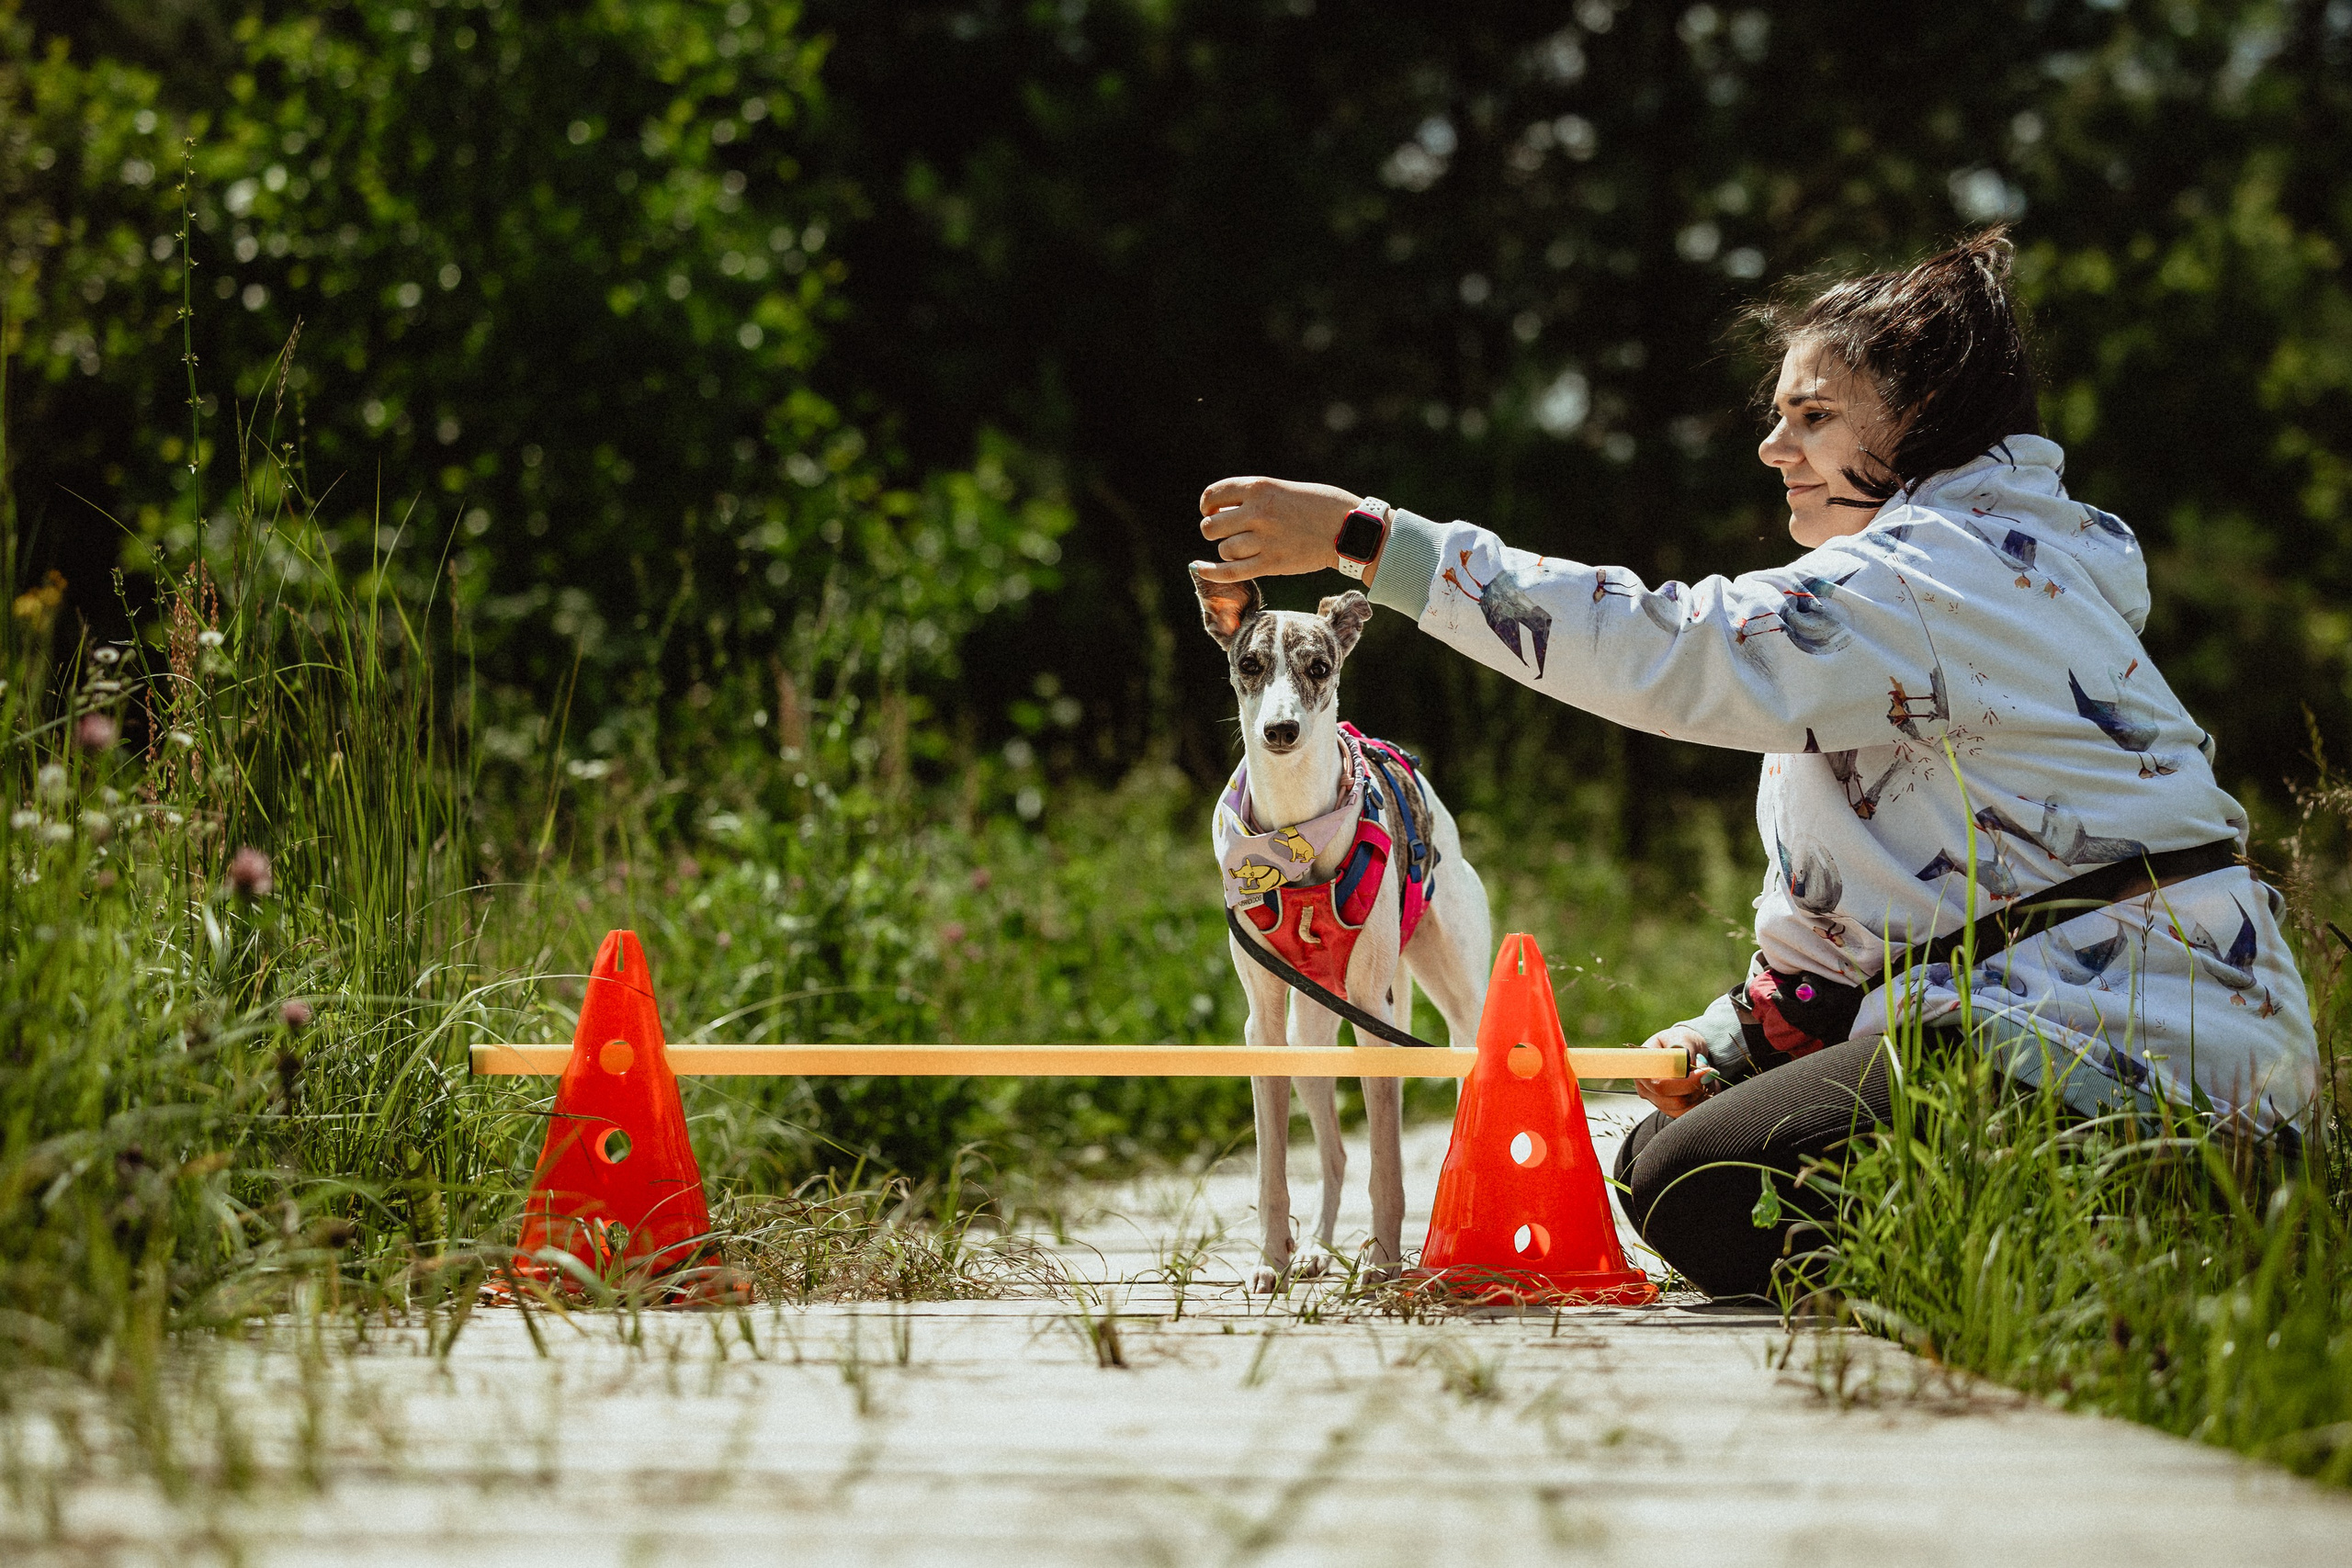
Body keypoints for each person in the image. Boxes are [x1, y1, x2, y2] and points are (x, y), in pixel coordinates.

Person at [1187, 229, 2321, 1301]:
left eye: (1813, 416)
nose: (1774, 448)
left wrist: (1369, 541)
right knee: (1662, 1159)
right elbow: (1875, 915)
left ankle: (2161, 1201)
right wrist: (1732, 1041)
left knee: (1701, 1186)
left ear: (1923, 418)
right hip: (2057, 1016)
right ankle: (2128, 1204)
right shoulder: (1977, 568)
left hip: (2125, 1045)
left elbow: (1671, 647)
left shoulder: (1933, 576)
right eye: (1776, 415)